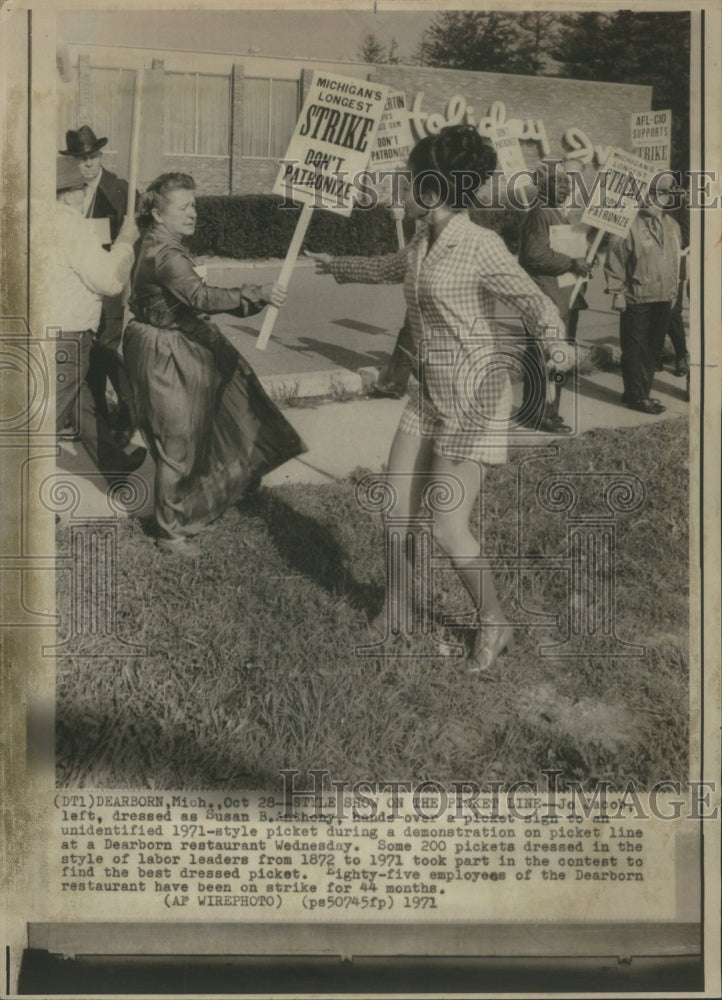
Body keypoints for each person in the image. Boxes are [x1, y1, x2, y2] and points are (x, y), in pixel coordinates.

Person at [309, 126, 572, 673]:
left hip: (474, 400)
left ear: (433, 190)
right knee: (396, 510)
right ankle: (399, 606)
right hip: (426, 394)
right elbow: (390, 269)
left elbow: (532, 300)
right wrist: (335, 264)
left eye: (409, 180)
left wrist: (555, 343)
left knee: (447, 526)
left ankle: (495, 622)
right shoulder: (423, 240)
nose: (401, 187)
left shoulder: (480, 245)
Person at [124, 172, 305, 557]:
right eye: (184, 207)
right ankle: (169, 533)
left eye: (194, 205)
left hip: (172, 340)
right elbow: (201, 296)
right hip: (165, 349)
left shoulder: (157, 241)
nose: (193, 213)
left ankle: (235, 483)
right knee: (177, 439)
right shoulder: (167, 254)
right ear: (158, 214)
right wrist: (256, 294)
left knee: (232, 401)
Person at [54, 154, 146, 476]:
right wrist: (124, 242)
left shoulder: (35, 220)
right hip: (67, 338)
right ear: (67, 193)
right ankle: (26, 505)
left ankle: (114, 467)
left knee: (83, 408)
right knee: (43, 425)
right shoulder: (70, 224)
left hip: (49, 332)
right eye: (81, 188)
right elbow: (107, 280)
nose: (84, 194)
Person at [518, 160, 592, 433]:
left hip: (563, 298)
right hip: (547, 299)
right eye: (558, 183)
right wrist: (572, 264)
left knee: (558, 356)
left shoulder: (556, 214)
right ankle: (539, 413)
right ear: (543, 185)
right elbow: (533, 255)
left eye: (566, 184)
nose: (564, 188)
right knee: (544, 356)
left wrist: (580, 264)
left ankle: (548, 411)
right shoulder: (541, 214)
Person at [604, 179, 682, 415]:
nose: (651, 198)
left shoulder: (672, 225)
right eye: (647, 193)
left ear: (667, 198)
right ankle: (638, 396)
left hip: (663, 297)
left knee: (653, 348)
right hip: (636, 296)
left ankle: (637, 393)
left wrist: (674, 292)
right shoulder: (628, 225)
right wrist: (616, 292)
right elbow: (615, 259)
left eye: (658, 194)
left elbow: (676, 260)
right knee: (635, 348)